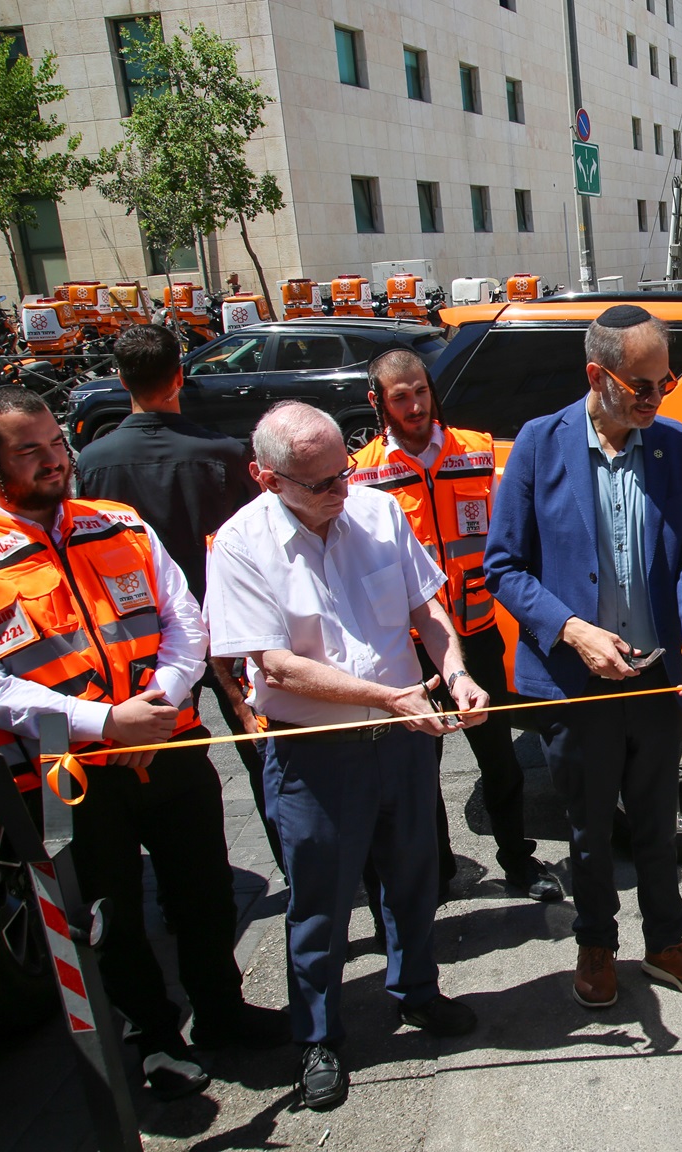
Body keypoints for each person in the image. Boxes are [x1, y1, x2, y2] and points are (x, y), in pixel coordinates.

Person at [0, 387, 287, 1100]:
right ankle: (152, 1038)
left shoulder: (117, 524)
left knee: (204, 894)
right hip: (71, 777)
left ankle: (222, 1012)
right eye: (30, 451)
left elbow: (185, 621)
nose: (55, 460)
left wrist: (160, 700)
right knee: (111, 917)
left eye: (57, 444)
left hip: (169, 746)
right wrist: (106, 725)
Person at [204, 401, 487, 1109]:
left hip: (402, 742)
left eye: (344, 471)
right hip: (316, 754)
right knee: (322, 903)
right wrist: (389, 697)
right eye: (322, 481)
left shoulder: (377, 512)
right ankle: (320, 1038)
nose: (342, 489)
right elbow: (276, 665)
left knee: (416, 878)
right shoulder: (240, 546)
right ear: (266, 478)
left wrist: (455, 671)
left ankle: (417, 990)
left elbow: (427, 607)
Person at [484, 303, 682, 1009]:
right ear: (598, 376)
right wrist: (572, 630)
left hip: (653, 679)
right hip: (574, 682)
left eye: (666, 383)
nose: (656, 398)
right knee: (590, 830)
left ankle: (666, 943)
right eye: (642, 385)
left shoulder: (676, 448)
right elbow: (504, 566)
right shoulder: (538, 444)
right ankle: (596, 946)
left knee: (657, 823)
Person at [349, 348, 560, 902]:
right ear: (379, 402)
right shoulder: (362, 476)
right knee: (421, 771)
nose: (415, 405)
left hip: (478, 635)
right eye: (400, 396)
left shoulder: (478, 451)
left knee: (500, 760)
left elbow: (518, 535)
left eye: (420, 390)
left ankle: (519, 860)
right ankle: (438, 872)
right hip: (411, 646)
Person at [75, 323, 280, 868]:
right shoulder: (220, 452)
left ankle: (172, 876)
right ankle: (292, 861)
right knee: (259, 744)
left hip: (141, 636)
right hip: (229, 626)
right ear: (180, 376)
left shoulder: (93, 462)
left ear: (121, 380)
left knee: (153, 758)